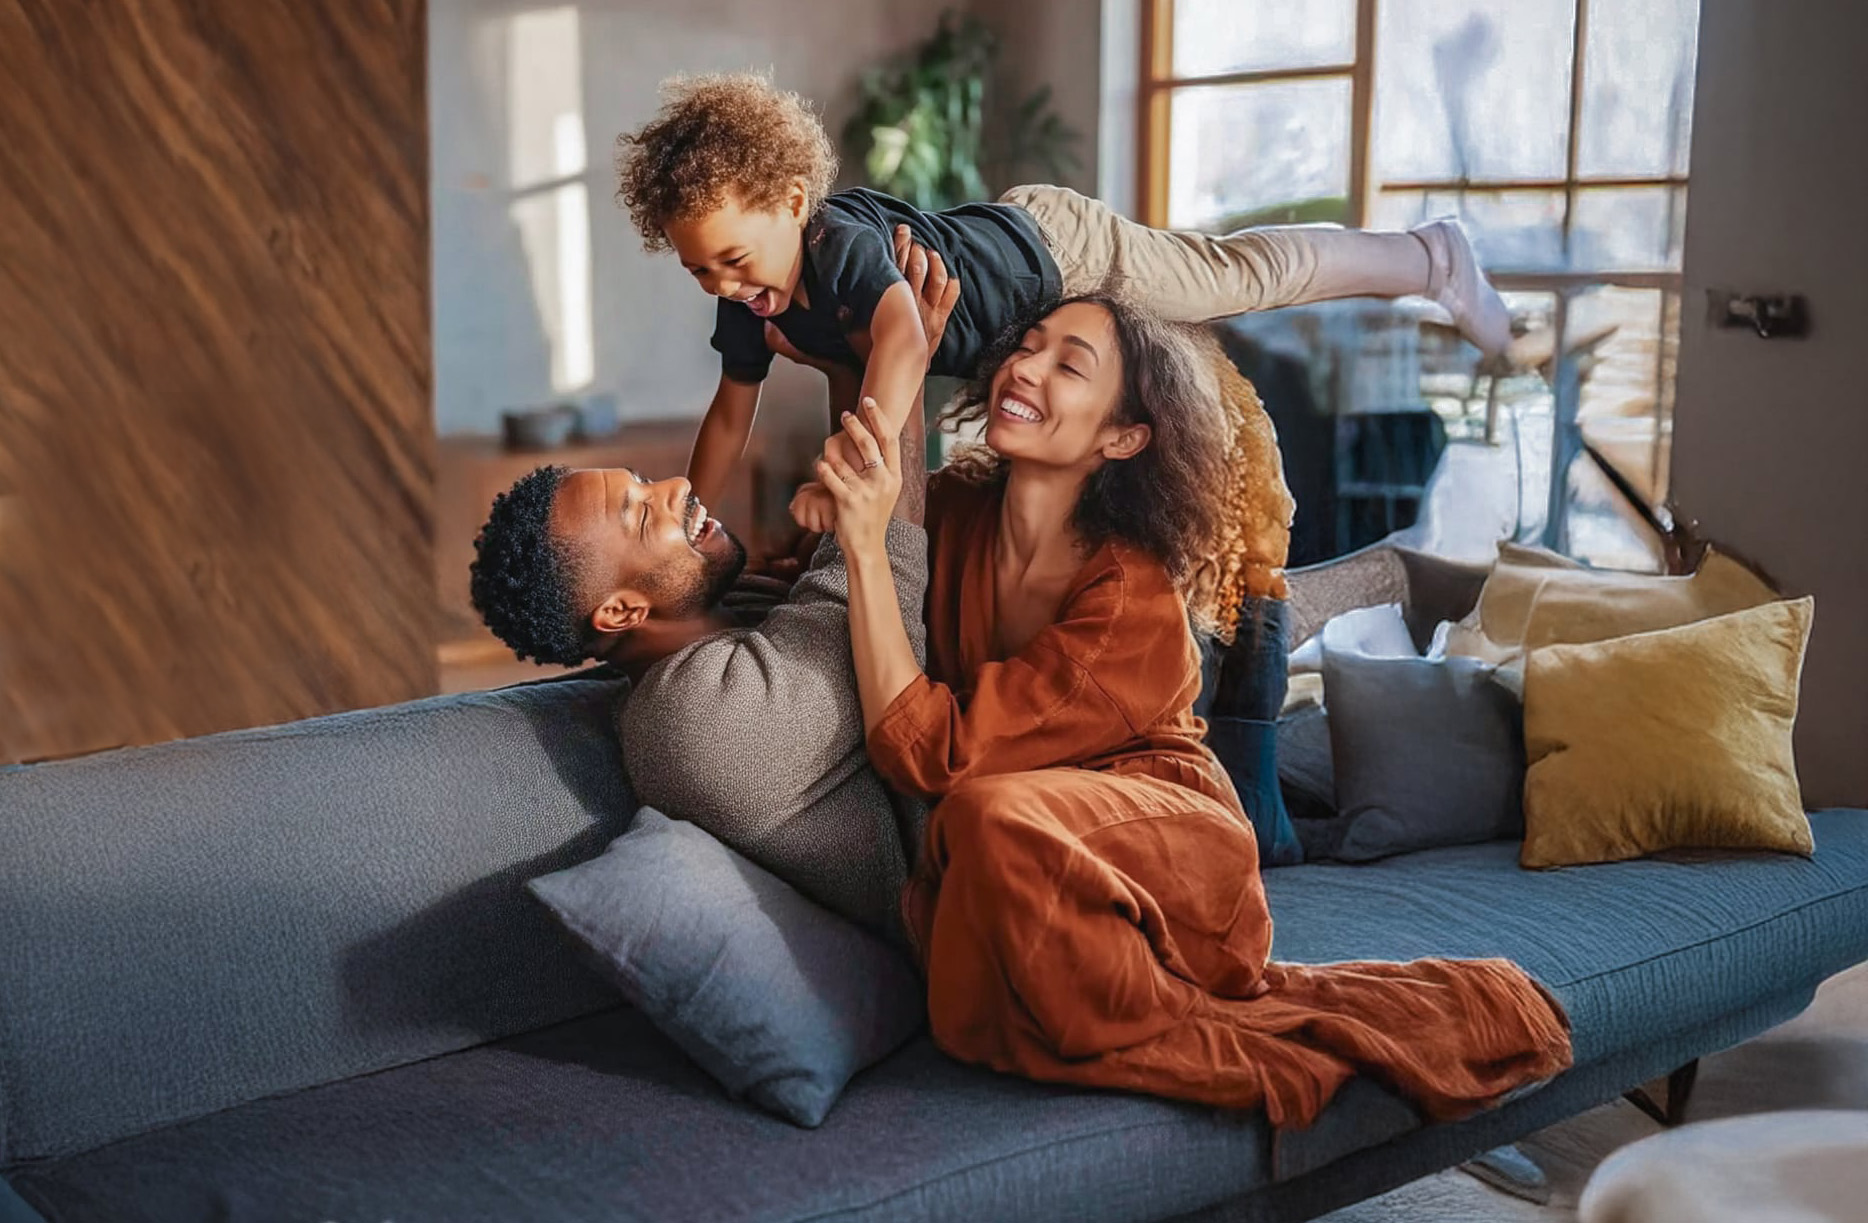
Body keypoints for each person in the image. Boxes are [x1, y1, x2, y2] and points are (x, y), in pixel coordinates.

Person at [809, 293, 1572, 1126]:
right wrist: (835, 476)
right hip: (1030, 860)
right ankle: (1053, 1014)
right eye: (1026, 346)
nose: (1023, 368)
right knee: (975, 837)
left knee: (982, 812)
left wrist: (862, 552)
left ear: (1122, 437)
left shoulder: (1132, 597)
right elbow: (833, 540)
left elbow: (930, 754)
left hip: (1167, 853)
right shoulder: (953, 510)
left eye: (1068, 365)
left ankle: (1173, 1016)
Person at [614, 71, 1515, 520]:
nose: (727, 286)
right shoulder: (751, 298)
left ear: (793, 202)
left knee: (1233, 280)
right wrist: (685, 506)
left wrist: (848, 465)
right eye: (701, 271)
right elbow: (730, 414)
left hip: (1059, 253)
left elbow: (897, 337)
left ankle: (1428, 258)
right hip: (1008, 317)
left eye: (734, 258)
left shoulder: (837, 244)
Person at [465, 240, 960, 939]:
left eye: (643, 482)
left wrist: (851, 365)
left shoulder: (719, 618)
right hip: (973, 908)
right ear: (620, 610)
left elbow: (845, 549)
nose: (677, 489)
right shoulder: (696, 724)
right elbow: (885, 570)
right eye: (643, 515)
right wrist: (904, 344)